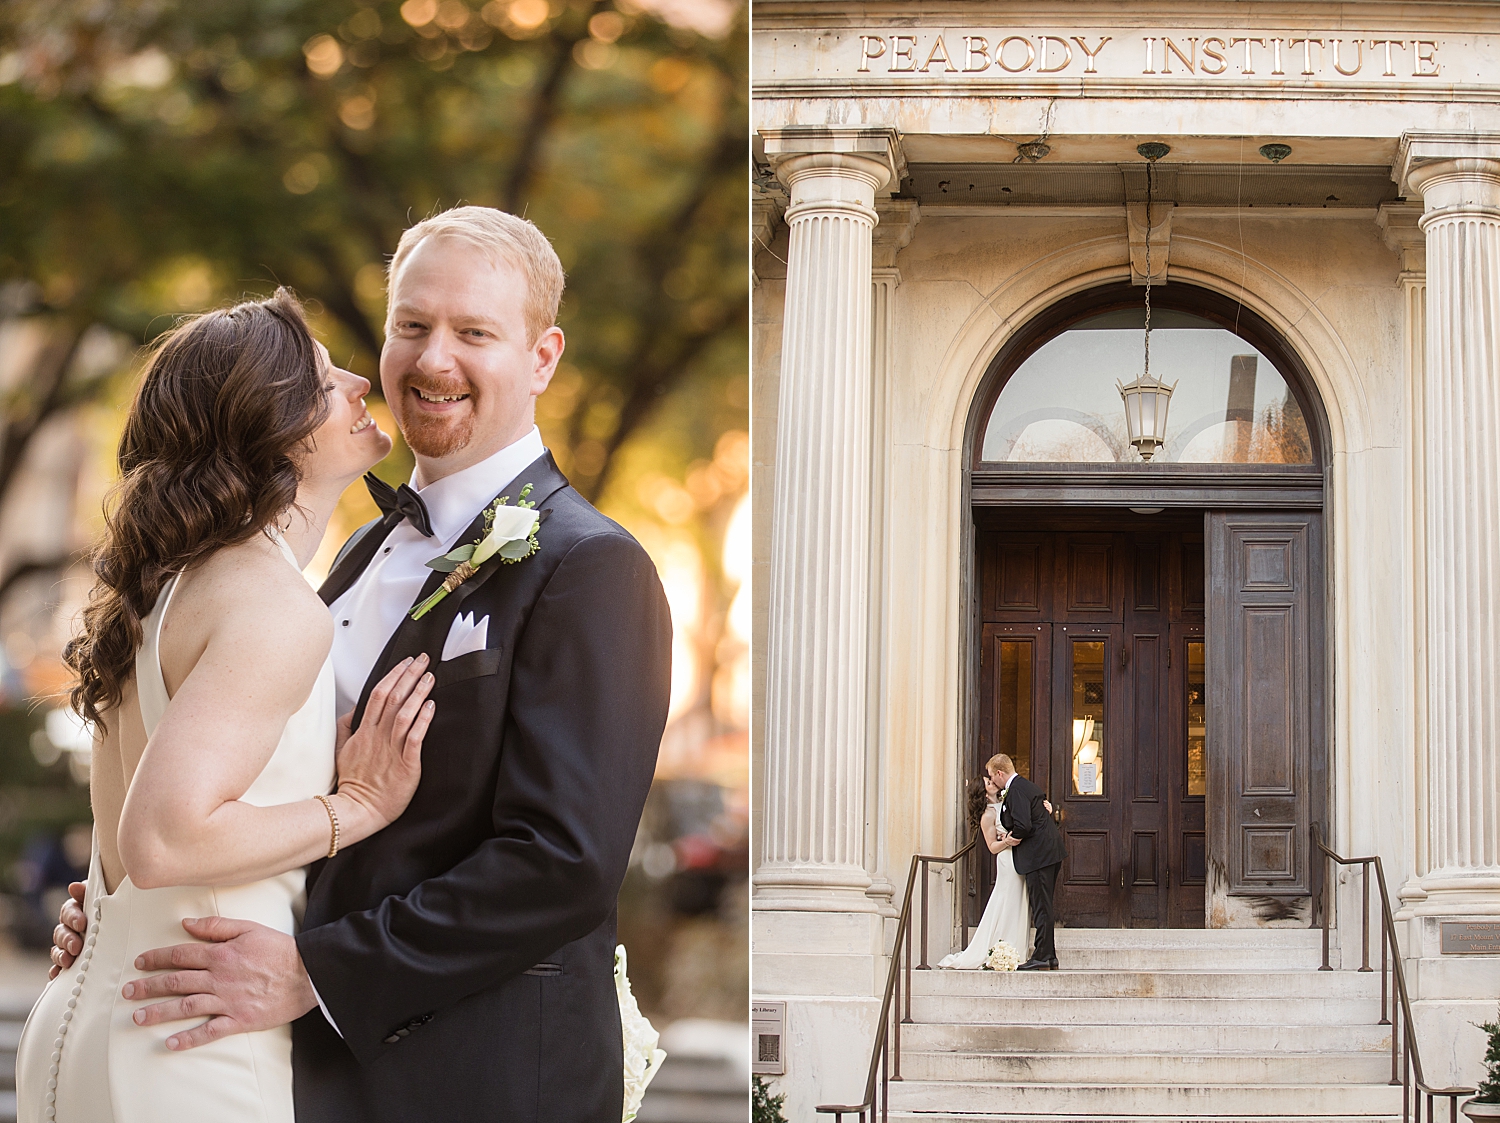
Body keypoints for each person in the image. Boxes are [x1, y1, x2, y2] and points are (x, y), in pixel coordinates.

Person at [51, 207, 672, 1122]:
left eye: (474, 333)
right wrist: (128, 909)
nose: (433, 360)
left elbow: (563, 860)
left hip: (474, 1079)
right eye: (413, 326)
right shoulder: (343, 557)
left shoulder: (591, 566)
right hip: (293, 1067)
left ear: (542, 357)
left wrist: (318, 970)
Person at [18, 290, 438, 1123]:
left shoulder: (166, 588)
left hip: (85, 1024)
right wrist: (354, 806)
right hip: (189, 1045)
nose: (360, 381)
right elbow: (165, 834)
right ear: (274, 429)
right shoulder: (272, 601)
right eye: (324, 382)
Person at [938, 775, 1032, 969]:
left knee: (1020, 900)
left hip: (1020, 857)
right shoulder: (988, 814)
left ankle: (1016, 949)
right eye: (988, 783)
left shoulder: (1006, 802)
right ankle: (1002, 949)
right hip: (1007, 860)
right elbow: (991, 846)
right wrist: (1006, 841)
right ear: (984, 792)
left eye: (990, 780)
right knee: (1007, 901)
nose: (992, 782)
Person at [988, 753, 1067, 971]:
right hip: (1048, 853)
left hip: (1039, 856)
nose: (992, 782)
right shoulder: (1026, 786)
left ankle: (1042, 955)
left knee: (1041, 907)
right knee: (1044, 905)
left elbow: (1023, 825)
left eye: (992, 777)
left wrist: (1009, 839)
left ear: (999, 773)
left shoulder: (1016, 791)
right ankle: (1049, 956)